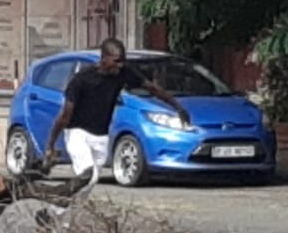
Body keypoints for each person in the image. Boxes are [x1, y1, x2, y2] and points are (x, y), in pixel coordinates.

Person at [43, 38, 189, 193]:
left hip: (101, 136)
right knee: (87, 174)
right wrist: (50, 146)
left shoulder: (123, 72)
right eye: (116, 61)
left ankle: (60, 206)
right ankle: (57, 198)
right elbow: (64, 117)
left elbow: (152, 88)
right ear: (104, 58)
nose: (120, 65)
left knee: (90, 182)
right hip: (77, 133)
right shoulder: (82, 79)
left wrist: (177, 106)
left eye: (122, 61)